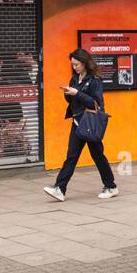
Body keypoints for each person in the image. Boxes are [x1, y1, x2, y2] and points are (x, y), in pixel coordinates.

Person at [44, 48, 118, 201]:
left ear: (84, 63)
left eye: (76, 64)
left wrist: (77, 93)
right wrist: (68, 94)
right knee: (71, 156)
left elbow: (95, 103)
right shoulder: (74, 78)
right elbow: (73, 102)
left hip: (90, 122)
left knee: (98, 156)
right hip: (77, 121)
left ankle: (110, 186)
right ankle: (60, 189)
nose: (74, 67)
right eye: (72, 64)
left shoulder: (95, 80)